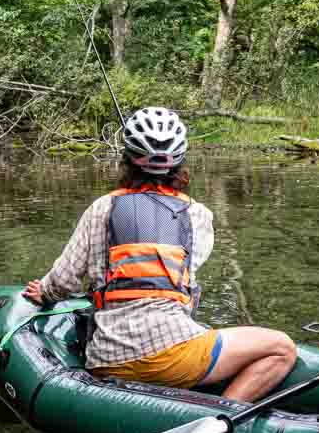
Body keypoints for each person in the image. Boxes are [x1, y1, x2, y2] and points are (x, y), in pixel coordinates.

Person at [22, 107, 296, 402]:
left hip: (106, 359)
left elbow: (63, 282)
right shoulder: (198, 215)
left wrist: (45, 291)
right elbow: (182, 279)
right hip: (174, 357)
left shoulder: (102, 207)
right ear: (180, 163)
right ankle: (224, 414)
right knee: (282, 347)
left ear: (127, 160)